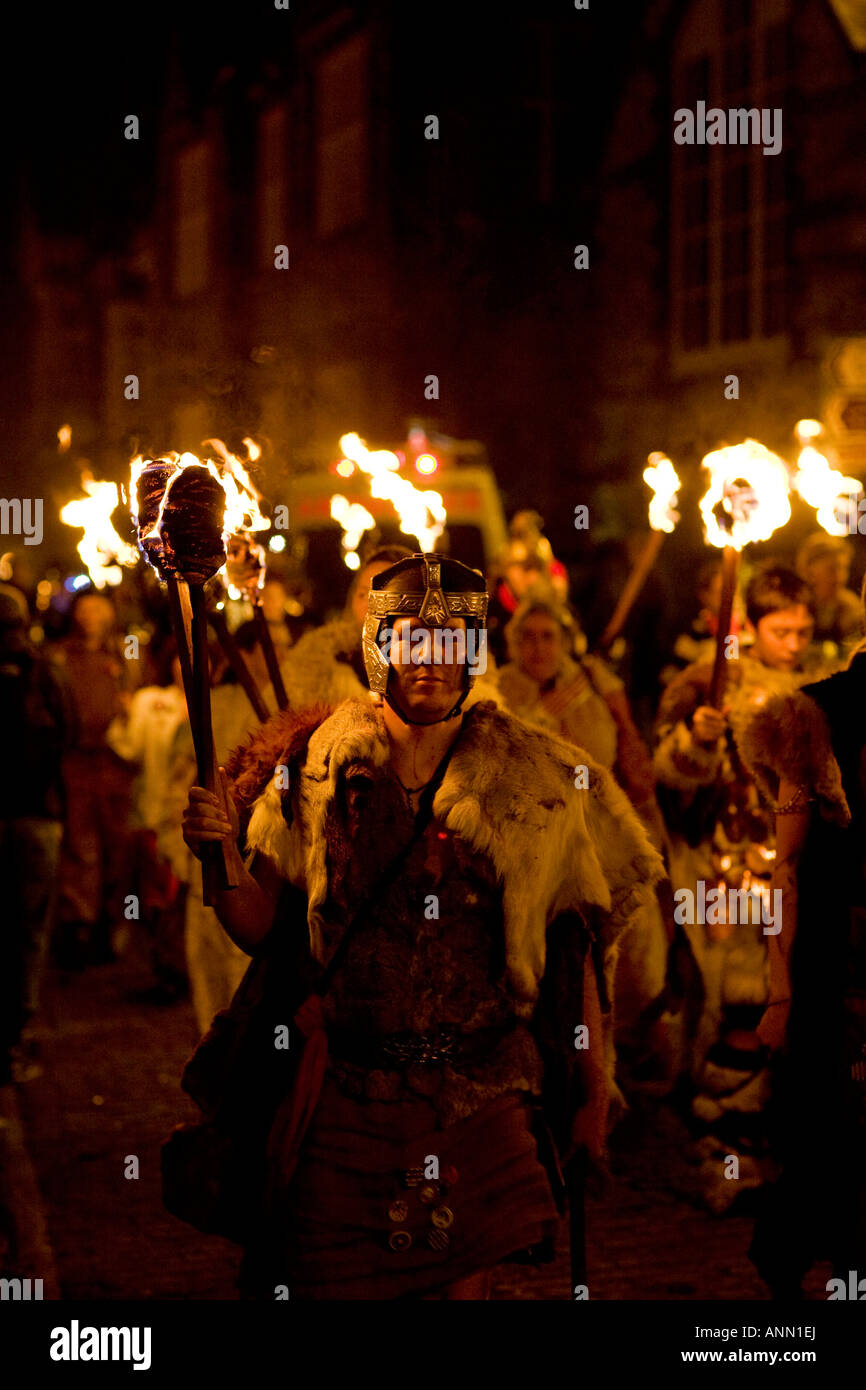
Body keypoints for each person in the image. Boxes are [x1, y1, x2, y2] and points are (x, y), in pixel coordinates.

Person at [177, 552, 664, 1300]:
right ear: (382, 648)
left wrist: (593, 1100)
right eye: (410, 638)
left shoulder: (536, 776)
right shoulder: (315, 767)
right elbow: (262, 932)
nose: (429, 659)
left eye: (448, 640)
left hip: (482, 1093)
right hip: (345, 1094)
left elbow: (577, 963)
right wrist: (222, 862)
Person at [652, 563, 819, 1205]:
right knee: (738, 1009)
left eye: (804, 629)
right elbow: (674, 778)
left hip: (799, 876)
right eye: (783, 629)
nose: (796, 641)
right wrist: (697, 740)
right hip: (729, 874)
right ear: (753, 624)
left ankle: (775, 1153)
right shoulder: (708, 682)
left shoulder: (823, 682)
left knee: (792, 1013)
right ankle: (723, 1160)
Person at [739, 583, 866, 1296]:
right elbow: (786, 865)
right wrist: (783, 991)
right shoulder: (813, 714)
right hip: (840, 963)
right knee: (837, 1142)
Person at [0, 590, 77, 1081]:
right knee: (27, 930)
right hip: (36, 816)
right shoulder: (44, 671)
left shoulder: (43, 672)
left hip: (30, 817)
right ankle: (13, 1039)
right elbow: (69, 730)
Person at [47, 590, 135, 968]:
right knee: (80, 845)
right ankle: (77, 923)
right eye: (84, 607)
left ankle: (113, 921)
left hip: (116, 762)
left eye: (99, 607)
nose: (91, 614)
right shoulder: (60, 655)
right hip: (76, 761)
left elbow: (141, 691)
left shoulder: (126, 651)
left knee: (117, 842)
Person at [795, 532, 862, 665]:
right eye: (832, 569)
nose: (840, 577)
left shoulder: (850, 607)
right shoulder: (794, 604)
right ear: (809, 570)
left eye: (844, 569)